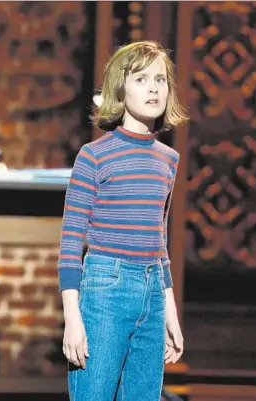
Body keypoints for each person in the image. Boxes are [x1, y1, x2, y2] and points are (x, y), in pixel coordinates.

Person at [58, 41, 188, 401]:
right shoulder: (94, 157)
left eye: (160, 80)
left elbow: (158, 240)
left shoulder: (168, 160)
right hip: (106, 288)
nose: (153, 88)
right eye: (142, 79)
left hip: (151, 292)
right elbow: (71, 242)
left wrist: (170, 312)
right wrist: (72, 318)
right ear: (120, 86)